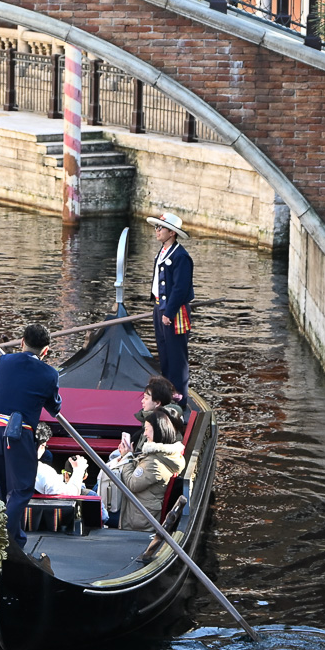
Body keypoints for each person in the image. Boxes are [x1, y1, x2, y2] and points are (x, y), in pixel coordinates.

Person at [0, 323, 62, 549]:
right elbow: (55, 407)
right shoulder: (49, 374)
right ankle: (2, 534)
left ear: (22, 342)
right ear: (45, 351)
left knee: (4, 490)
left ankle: (15, 540)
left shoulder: (2, 362)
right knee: (22, 489)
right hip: (17, 435)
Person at [101, 407, 186, 530]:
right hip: (139, 509)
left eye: (147, 429)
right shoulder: (163, 456)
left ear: (158, 431)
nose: (145, 433)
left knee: (93, 509)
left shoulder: (155, 462)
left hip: (138, 517)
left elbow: (132, 484)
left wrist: (126, 457)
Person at [148, 211, 195, 398]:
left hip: (174, 312)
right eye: (156, 227)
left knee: (177, 357)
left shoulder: (181, 256)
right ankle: (168, 393)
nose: (157, 231)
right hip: (160, 307)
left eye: (161, 228)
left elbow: (180, 288)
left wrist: (169, 312)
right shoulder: (163, 251)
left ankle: (179, 397)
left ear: (172, 233)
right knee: (164, 353)